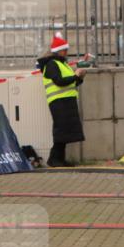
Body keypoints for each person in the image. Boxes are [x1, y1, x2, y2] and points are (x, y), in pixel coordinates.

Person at [36, 34, 85, 167]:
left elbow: (71, 83)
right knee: (61, 131)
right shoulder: (52, 64)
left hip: (66, 101)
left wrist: (79, 77)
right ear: (59, 51)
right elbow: (59, 81)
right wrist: (75, 76)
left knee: (65, 131)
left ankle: (58, 159)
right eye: (65, 50)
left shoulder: (62, 64)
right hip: (59, 102)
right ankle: (55, 159)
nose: (66, 52)